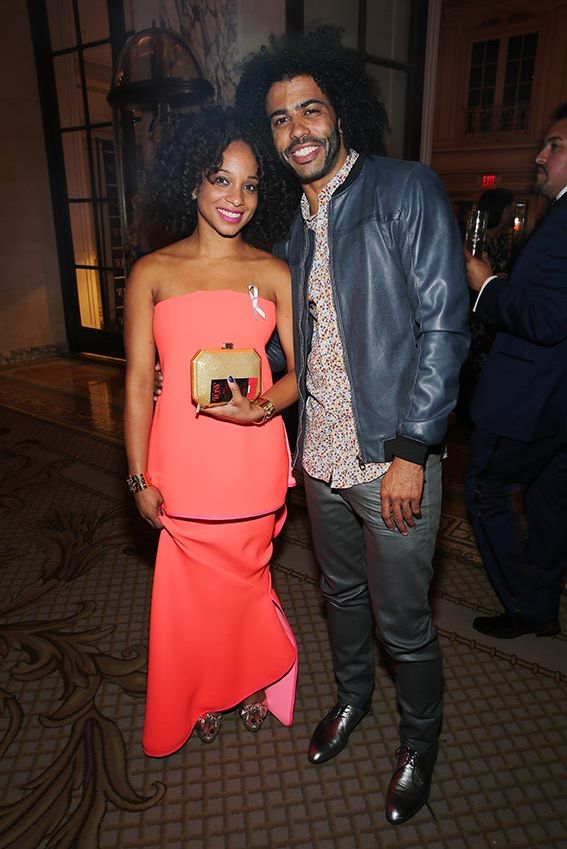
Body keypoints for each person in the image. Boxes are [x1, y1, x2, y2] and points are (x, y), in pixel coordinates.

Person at [235, 29, 470, 824]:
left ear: (340, 114)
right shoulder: (288, 231)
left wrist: (411, 451)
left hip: (390, 458)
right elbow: (278, 345)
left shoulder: (405, 189)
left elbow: (445, 328)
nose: (296, 128)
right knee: (337, 594)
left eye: (310, 109)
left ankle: (419, 738)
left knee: (402, 623)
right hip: (319, 454)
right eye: (278, 119)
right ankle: (351, 699)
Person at [123, 107, 299, 757]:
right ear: (192, 183)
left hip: (250, 459)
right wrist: (138, 474)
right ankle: (201, 688)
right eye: (221, 180)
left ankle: (253, 676)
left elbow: (302, 372)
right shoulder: (152, 272)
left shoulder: (274, 272)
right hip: (182, 460)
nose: (236, 198)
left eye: (251, 184)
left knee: (248, 580)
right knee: (192, 593)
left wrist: (265, 406)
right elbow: (140, 382)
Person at [464, 103, 567, 640]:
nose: (539, 155)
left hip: (528, 398)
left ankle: (525, 606)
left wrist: (486, 285)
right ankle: (543, 605)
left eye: (554, 146)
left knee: (485, 489)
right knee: (550, 504)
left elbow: (546, 319)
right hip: (555, 401)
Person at [457, 188, 516, 425]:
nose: (513, 212)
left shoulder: (502, 240)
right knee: (473, 366)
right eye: (511, 207)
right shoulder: (476, 241)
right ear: (501, 209)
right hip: (475, 313)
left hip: (491, 312)